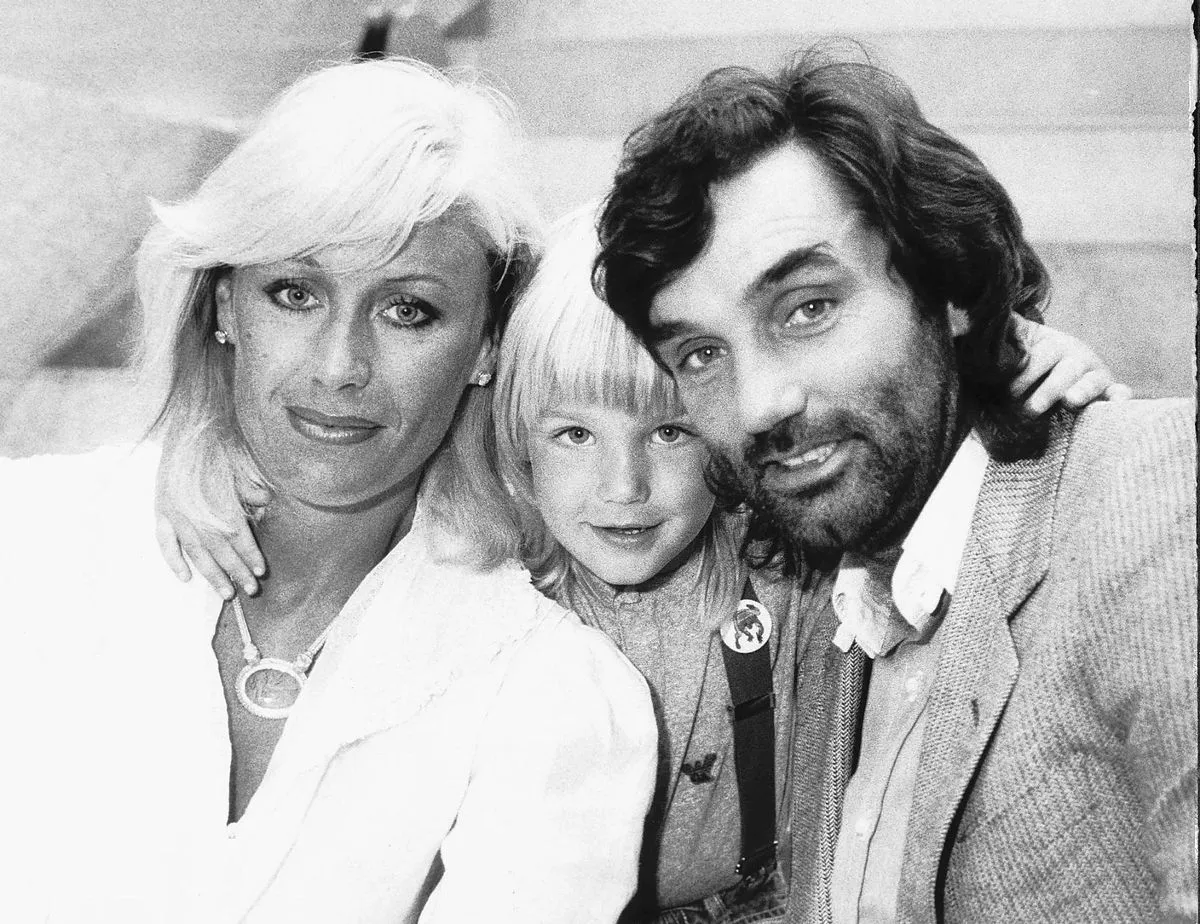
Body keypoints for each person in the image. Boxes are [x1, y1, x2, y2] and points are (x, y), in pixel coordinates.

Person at [159, 201, 1134, 923]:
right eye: (573, 434)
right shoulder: (485, 573)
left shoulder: (781, 565)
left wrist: (1017, 378)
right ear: (510, 434)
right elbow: (330, 457)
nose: (622, 490)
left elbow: (924, 479)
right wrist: (204, 453)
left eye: (670, 434)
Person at [0, 59, 658, 923]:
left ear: (488, 347)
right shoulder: (31, 544)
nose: (340, 367)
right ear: (224, 305)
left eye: (407, 311)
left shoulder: (549, 693)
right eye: (295, 293)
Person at [594, 47, 1197, 923]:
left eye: (808, 307)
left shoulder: (1153, 495)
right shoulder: (829, 616)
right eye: (700, 353)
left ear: (947, 284)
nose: (760, 404)